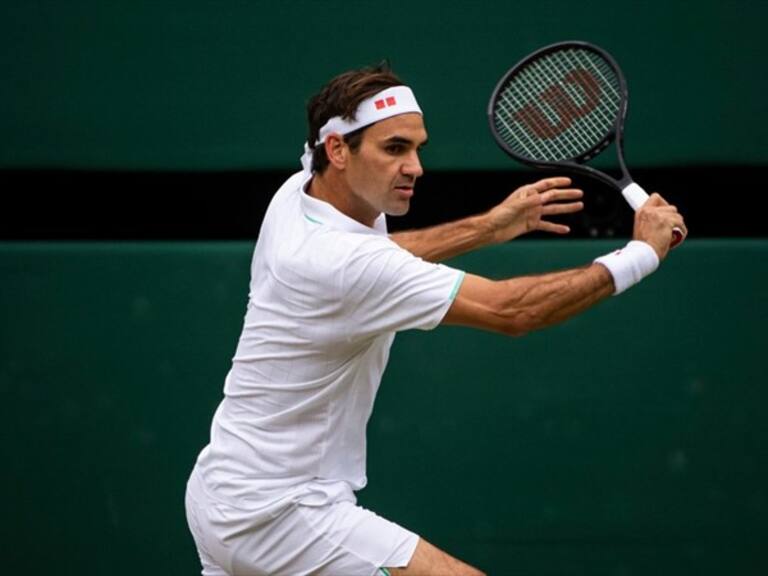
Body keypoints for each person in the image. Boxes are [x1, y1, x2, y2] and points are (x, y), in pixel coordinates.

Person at [185, 63, 687, 576]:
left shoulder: (298, 196)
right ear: (337, 150)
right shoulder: (342, 262)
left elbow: (374, 257)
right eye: (395, 148)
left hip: (219, 493)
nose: (416, 167)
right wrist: (641, 254)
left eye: (418, 147)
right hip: (281, 516)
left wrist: (488, 228)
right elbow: (512, 311)